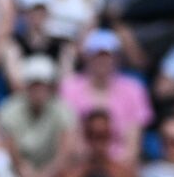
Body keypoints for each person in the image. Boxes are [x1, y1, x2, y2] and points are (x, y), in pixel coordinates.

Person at [59, 30, 151, 167]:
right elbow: (71, 138)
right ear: (87, 57)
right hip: (80, 163)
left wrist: (112, 167)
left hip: (119, 164)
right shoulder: (69, 88)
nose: (102, 61)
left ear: (117, 58)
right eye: (97, 56)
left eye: (107, 56)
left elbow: (132, 145)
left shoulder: (133, 89)